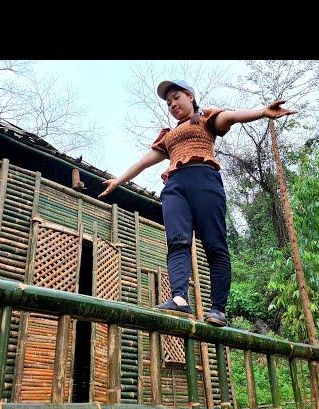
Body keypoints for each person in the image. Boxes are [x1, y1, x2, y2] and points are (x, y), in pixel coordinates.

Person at [99, 80, 296, 326]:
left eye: (176, 97)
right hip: (174, 187)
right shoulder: (168, 136)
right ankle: (179, 298)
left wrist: (262, 112)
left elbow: (233, 116)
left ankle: (218, 309)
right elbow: (142, 163)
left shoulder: (206, 119)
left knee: (214, 244)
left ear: (190, 96)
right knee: (177, 241)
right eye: (169, 102)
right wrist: (118, 180)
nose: (172, 104)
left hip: (204, 180)